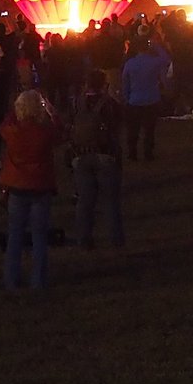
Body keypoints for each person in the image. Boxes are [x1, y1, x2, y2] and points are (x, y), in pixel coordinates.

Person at [0, 88, 61, 291]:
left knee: (15, 234)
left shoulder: (12, 131)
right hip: (40, 185)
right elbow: (59, 129)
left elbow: (4, 124)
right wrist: (50, 110)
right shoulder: (45, 132)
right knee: (39, 236)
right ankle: (38, 280)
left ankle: (11, 279)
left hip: (17, 185)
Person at [69, 68, 125, 250]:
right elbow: (119, 123)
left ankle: (84, 239)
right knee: (111, 201)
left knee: (84, 202)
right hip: (104, 155)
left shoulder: (78, 103)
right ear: (103, 84)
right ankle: (116, 240)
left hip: (81, 155)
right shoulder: (108, 104)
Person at [118, 30, 171, 162]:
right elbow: (167, 59)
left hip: (134, 100)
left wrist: (126, 97)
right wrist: (157, 45)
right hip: (152, 99)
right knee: (149, 129)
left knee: (133, 129)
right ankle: (148, 153)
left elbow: (125, 82)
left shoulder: (130, 64)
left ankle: (132, 153)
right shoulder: (154, 62)